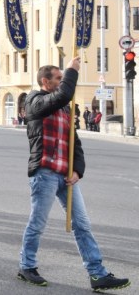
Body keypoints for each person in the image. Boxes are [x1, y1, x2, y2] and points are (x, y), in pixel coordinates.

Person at [17, 58, 130, 291]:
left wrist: (77, 170)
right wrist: (71, 71)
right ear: (45, 81)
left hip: (66, 175)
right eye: (58, 78)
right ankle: (26, 266)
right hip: (45, 172)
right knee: (38, 223)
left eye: (63, 77)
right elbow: (60, 96)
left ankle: (97, 274)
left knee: (82, 224)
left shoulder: (65, 107)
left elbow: (74, 142)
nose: (62, 82)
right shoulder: (35, 101)